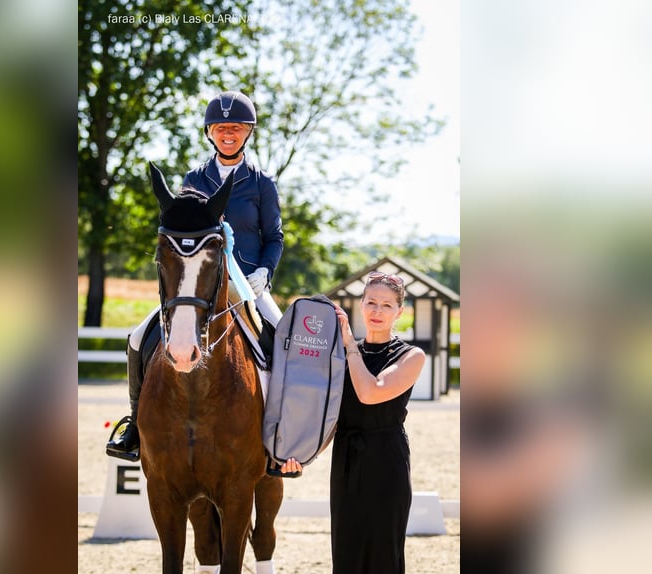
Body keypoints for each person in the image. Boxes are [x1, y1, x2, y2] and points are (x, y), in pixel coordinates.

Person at [106, 90, 284, 461]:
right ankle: (135, 428)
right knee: (140, 338)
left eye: (236, 127)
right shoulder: (194, 178)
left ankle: (281, 434)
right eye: (221, 128)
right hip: (200, 284)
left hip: (247, 284)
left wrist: (265, 272)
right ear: (210, 133)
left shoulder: (261, 183)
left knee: (283, 339)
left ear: (248, 132)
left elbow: (274, 237)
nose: (228, 134)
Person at [281, 271, 426, 573]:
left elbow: (370, 393)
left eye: (387, 305)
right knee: (346, 556)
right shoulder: (342, 354)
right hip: (346, 466)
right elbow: (330, 419)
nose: (377, 311)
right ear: (361, 305)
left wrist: (349, 347)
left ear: (400, 311)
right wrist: (301, 456)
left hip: (387, 465)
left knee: (383, 556)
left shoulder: (411, 355)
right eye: (371, 302)